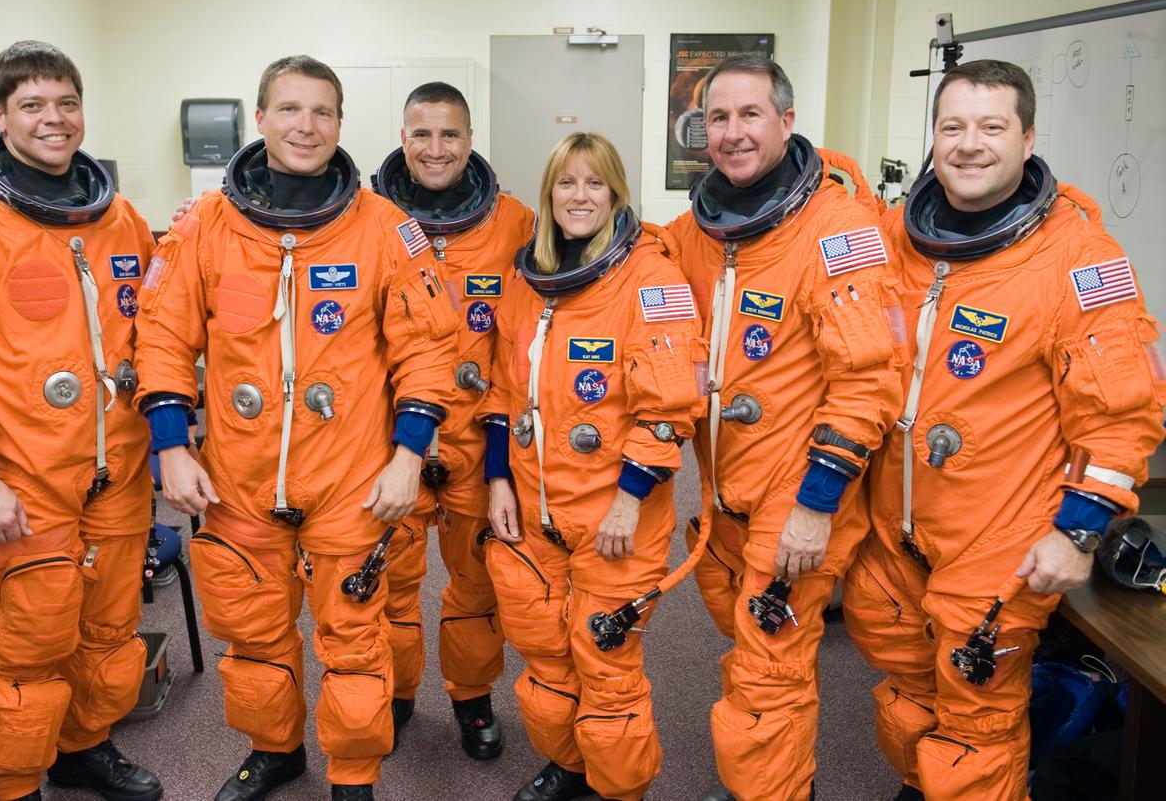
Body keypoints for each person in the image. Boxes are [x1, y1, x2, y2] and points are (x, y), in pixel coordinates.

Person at [134, 55, 459, 801]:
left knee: (353, 641)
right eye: (289, 110)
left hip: (351, 478)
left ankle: (353, 773)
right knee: (252, 634)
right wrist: (172, 446)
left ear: (341, 124)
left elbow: (428, 348)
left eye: (321, 112)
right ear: (261, 119)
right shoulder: (204, 227)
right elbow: (160, 337)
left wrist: (410, 454)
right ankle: (275, 749)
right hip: (237, 481)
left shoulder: (385, 228)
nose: (305, 126)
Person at [841, 58, 1166, 801]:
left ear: (1027, 137)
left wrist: (1078, 531)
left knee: (977, 720)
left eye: (992, 127)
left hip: (1001, 537)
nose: (969, 144)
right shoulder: (899, 235)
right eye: (952, 127)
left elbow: (1123, 413)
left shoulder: (1081, 259)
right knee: (910, 692)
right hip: (898, 527)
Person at [0, 40, 162, 801]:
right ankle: (12, 785)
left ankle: (84, 747)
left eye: (66, 103)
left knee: (107, 634)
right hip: (17, 481)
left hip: (115, 474)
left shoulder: (118, 218)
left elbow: (157, 318)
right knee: (28, 645)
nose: (55, 119)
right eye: (34, 105)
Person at [662, 54, 904, 801]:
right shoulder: (692, 233)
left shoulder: (839, 233)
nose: (732, 133)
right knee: (754, 646)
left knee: (768, 667)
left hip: (799, 493)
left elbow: (868, 380)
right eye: (719, 118)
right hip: (726, 489)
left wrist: (814, 503)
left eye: (750, 115)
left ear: (787, 121)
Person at [482, 131, 706, 801]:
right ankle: (571, 764)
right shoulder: (529, 280)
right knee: (548, 657)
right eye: (566, 183)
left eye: (595, 183)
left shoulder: (652, 278)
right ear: (548, 194)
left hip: (615, 514)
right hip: (533, 506)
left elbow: (669, 409)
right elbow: (502, 391)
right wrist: (498, 474)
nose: (579, 196)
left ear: (616, 192)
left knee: (606, 667)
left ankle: (619, 788)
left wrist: (630, 498)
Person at [369, 82, 535, 759]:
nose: (435, 149)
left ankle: (471, 698)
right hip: (393, 441)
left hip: (478, 437)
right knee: (390, 581)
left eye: (450, 135)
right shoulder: (365, 217)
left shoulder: (516, 222)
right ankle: (399, 693)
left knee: (476, 585)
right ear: (402, 138)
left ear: (471, 140)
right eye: (422, 134)